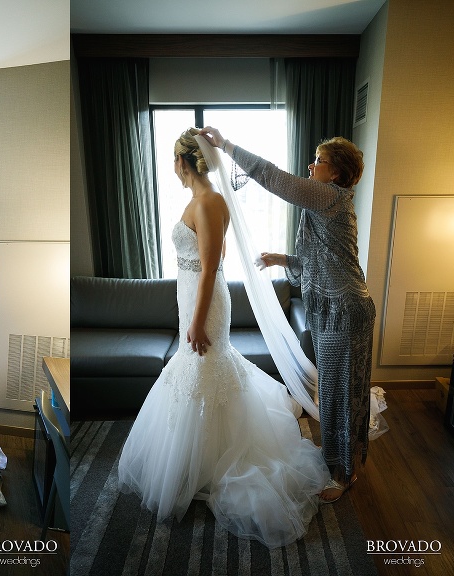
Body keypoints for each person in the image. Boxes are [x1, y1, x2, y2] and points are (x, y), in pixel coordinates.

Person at [117, 130, 330, 549]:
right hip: (189, 299)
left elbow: (211, 268)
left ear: (183, 161)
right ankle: (201, 460)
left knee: (203, 370)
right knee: (198, 376)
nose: (172, 169)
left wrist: (197, 322)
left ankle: (214, 462)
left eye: (173, 162)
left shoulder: (211, 202)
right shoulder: (196, 201)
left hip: (206, 305)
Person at [199, 126, 376, 504]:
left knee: (339, 393)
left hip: (343, 311)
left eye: (319, 161)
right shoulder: (333, 202)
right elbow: (322, 260)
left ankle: (343, 473)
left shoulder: (330, 196)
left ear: (336, 172)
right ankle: (346, 461)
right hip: (343, 307)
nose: (311, 167)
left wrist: (227, 145)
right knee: (339, 390)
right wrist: (281, 259)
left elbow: (275, 179)